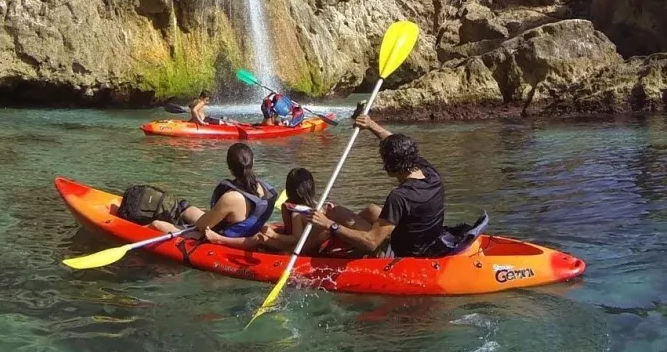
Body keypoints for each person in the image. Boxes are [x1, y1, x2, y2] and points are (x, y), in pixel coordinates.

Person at [308, 111, 446, 259]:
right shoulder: (430, 173)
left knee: (335, 212)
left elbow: (372, 242)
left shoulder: (400, 196)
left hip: (403, 254)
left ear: (391, 165)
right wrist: (370, 125)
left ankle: (301, 252)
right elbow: (396, 144)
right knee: (371, 210)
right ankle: (344, 243)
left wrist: (329, 224)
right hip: (424, 240)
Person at [149, 142, 277, 249]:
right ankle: (180, 214)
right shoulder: (268, 190)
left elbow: (202, 226)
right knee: (189, 210)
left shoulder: (231, 198)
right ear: (253, 162)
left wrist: (201, 225)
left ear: (229, 166)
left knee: (156, 225)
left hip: (225, 241)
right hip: (243, 231)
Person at [251, 168, 352, 256]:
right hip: (315, 243)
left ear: (289, 190)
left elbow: (295, 238)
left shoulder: (297, 214)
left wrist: (273, 235)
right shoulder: (318, 206)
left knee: (261, 238)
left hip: (301, 247)